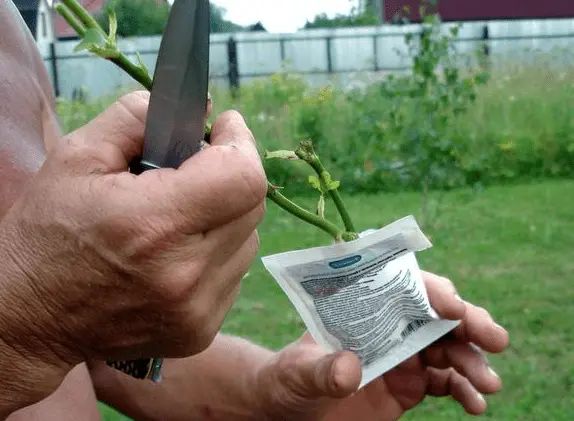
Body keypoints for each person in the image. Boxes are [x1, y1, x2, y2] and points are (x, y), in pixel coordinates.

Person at [0, 0, 509, 420]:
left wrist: (271, 394)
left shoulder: (14, 35)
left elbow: (94, 350)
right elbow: (47, 330)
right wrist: (25, 322)